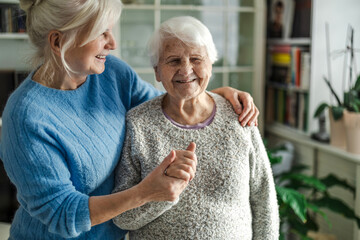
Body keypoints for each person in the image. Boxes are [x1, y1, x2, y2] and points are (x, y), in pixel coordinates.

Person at [0, 1, 259, 240]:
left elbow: (167, 105)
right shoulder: (26, 116)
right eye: (101, 33)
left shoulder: (111, 73)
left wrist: (217, 97)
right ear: (58, 42)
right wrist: (145, 192)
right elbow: (62, 212)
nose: (112, 43)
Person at [112, 16, 279, 240]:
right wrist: (161, 192)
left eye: (196, 59)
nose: (186, 69)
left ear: (210, 63)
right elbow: (122, 218)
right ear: (157, 71)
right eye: (173, 61)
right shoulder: (138, 123)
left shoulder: (239, 115)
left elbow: (264, 198)